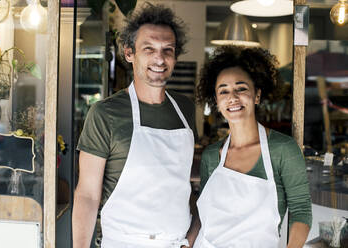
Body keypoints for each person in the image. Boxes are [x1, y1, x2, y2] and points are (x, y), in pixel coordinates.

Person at [72, 3, 198, 248]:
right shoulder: (105, 113)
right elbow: (87, 194)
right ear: (129, 53)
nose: (159, 58)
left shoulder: (185, 109)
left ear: (175, 55)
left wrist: (190, 241)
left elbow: (181, 184)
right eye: (148, 48)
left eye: (167, 49)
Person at [193, 45, 312, 248]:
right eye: (224, 91)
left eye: (241, 88)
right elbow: (204, 215)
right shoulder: (212, 156)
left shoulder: (282, 149)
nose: (233, 97)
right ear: (216, 101)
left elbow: (301, 211)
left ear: (257, 95)